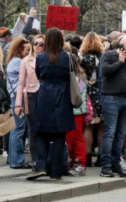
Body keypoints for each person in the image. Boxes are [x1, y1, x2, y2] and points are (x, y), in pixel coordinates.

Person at [25, 28, 75, 181]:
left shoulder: (40, 58)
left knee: (41, 131)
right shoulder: (67, 57)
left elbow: (39, 74)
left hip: (45, 94)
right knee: (59, 135)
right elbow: (71, 74)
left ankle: (40, 165)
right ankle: (56, 170)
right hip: (62, 94)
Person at [99, 36, 126, 178]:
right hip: (111, 98)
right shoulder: (108, 56)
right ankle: (106, 166)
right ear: (120, 46)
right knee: (110, 132)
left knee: (120, 134)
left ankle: (116, 163)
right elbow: (105, 72)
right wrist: (119, 62)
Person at [15, 34, 44, 174]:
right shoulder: (26, 61)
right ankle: (36, 161)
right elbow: (21, 83)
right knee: (33, 131)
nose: (38, 46)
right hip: (31, 96)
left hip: (45, 96)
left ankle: (45, 160)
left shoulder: (49, 59)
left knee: (45, 130)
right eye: (36, 43)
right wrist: (18, 103)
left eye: (41, 44)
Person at [78, 32, 104, 167]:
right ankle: (101, 156)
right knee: (101, 127)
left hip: (87, 95)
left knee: (88, 127)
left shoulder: (82, 59)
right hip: (101, 94)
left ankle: (87, 157)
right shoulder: (104, 58)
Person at [5, 37, 31, 170]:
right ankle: (17, 160)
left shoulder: (14, 61)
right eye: (27, 50)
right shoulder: (17, 62)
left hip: (16, 98)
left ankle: (14, 159)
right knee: (19, 129)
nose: (29, 52)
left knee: (17, 129)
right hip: (18, 99)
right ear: (19, 50)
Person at [66, 44, 88, 177]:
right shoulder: (81, 75)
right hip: (77, 111)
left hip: (75, 112)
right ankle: (73, 162)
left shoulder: (76, 78)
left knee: (75, 138)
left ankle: (80, 163)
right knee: (73, 138)